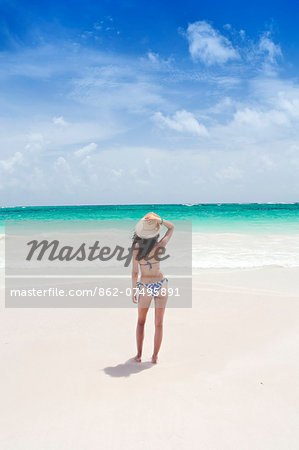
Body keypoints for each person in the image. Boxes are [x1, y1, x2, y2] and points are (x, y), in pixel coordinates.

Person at [131, 212, 174, 364]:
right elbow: (171, 228)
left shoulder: (136, 248)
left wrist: (134, 290)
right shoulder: (159, 246)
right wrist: (161, 220)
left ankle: (139, 355)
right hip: (161, 284)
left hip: (146, 286)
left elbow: (135, 272)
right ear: (155, 231)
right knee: (159, 324)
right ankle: (155, 356)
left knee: (141, 322)